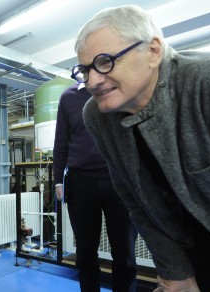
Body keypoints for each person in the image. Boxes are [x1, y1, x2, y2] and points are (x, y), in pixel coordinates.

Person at [70, 5, 210, 292]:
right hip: (194, 249)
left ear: (153, 50)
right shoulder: (97, 116)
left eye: (105, 61)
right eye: (85, 70)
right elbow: (136, 201)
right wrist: (175, 271)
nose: (93, 81)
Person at [53, 83, 137, 291]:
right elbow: (61, 142)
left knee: (124, 254)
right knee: (85, 254)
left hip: (119, 180)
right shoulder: (68, 97)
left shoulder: (122, 89)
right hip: (80, 183)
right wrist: (57, 180)